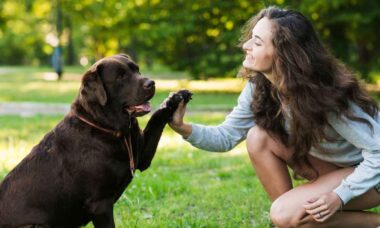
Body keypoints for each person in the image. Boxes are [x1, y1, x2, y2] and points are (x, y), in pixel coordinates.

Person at [168, 6, 380, 227]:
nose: (245, 46)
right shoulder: (260, 85)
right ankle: (292, 218)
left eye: (257, 42)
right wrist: (183, 127)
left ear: (283, 53)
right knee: (259, 137)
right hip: (336, 168)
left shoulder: (325, 95)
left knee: (285, 215)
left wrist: (339, 195)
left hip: (372, 175)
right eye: (251, 38)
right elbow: (226, 136)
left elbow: (378, 152)